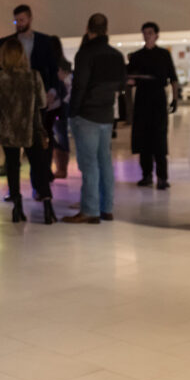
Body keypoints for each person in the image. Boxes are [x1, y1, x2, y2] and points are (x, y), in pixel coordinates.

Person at [63, 13, 126, 224]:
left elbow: (79, 86)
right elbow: (121, 85)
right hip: (106, 114)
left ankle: (90, 210)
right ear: (106, 29)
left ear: (88, 29)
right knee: (105, 163)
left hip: (87, 115)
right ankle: (106, 208)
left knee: (89, 164)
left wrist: (73, 112)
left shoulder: (86, 54)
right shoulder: (116, 55)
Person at [0, 5, 60, 199]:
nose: (19, 23)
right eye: (16, 20)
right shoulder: (9, 43)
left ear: (30, 18)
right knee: (24, 157)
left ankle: (37, 190)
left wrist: (52, 91)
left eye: (21, 19)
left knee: (38, 152)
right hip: (18, 106)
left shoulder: (44, 42)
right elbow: (0, 68)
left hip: (35, 103)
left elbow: (53, 69)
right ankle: (27, 195)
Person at [0, 39, 55, 224]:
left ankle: (17, 207)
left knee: (13, 167)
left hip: (9, 130)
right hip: (31, 128)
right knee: (39, 167)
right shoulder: (33, 76)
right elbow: (42, 103)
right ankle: (48, 207)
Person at [127, 22, 180, 189]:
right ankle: (147, 175)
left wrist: (175, 99)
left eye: (150, 33)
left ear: (156, 35)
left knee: (159, 139)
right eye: (145, 33)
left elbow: (173, 78)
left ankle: (162, 177)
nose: (147, 35)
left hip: (158, 100)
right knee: (143, 139)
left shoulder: (164, 55)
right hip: (142, 100)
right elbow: (130, 79)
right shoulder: (136, 56)